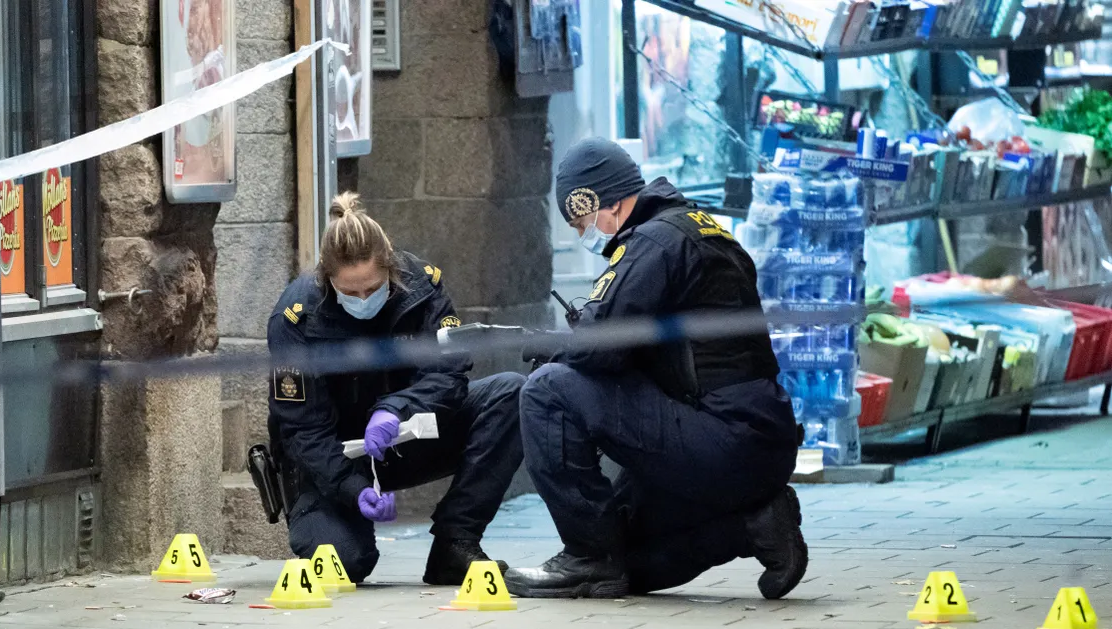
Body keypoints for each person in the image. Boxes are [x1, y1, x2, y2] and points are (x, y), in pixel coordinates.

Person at [504, 138, 807, 600]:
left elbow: (599, 345)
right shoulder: (698, 229)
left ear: (605, 202)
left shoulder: (653, 242)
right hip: (753, 443)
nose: (585, 235)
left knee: (547, 390)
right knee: (626, 563)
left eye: (582, 222)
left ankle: (586, 555)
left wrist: (550, 349)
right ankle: (755, 526)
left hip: (722, 436)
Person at [267, 192, 525, 585]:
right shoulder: (295, 318)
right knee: (345, 564)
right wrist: (354, 488)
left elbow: (450, 373)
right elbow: (303, 430)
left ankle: (455, 542)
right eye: (350, 293)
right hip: (332, 458)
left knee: (510, 394)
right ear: (327, 278)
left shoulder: (422, 287)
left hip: (403, 437)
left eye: (372, 288)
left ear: (390, 267)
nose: (363, 299)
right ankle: (341, 519)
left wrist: (397, 409)